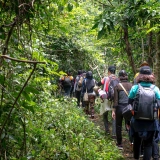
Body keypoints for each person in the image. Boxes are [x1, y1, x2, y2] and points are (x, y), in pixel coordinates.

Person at [128, 66, 160, 160]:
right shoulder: (156, 89)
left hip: (137, 120)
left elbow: (129, 104)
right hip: (151, 121)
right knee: (148, 144)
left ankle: (136, 158)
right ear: (151, 76)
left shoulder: (135, 88)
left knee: (137, 142)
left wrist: (132, 115)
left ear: (140, 76)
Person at [112, 70, 132, 150]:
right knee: (130, 125)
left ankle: (119, 144)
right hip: (129, 108)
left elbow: (115, 100)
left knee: (118, 126)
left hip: (120, 108)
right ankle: (132, 141)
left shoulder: (117, 86)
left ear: (119, 77)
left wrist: (114, 110)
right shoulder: (132, 85)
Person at [98, 65, 118, 136]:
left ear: (109, 71)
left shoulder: (106, 78)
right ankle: (114, 134)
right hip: (115, 99)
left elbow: (99, 83)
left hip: (106, 98)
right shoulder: (117, 79)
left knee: (105, 114)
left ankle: (107, 130)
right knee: (114, 116)